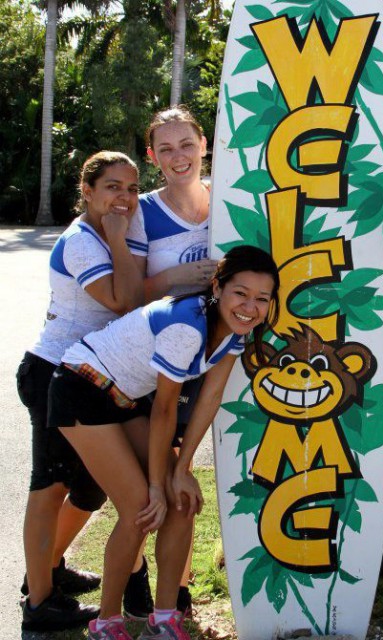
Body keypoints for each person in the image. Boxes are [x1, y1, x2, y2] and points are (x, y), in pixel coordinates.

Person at [48, 245, 280, 640]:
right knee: (141, 506)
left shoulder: (236, 335)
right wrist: (158, 482)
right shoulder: (187, 325)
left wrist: (183, 469)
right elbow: (165, 411)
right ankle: (107, 622)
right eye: (240, 293)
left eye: (262, 299)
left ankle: (165, 619)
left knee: (182, 502)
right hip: (83, 387)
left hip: (123, 398)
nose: (250, 307)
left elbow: (209, 399)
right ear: (217, 288)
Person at [17, 151, 144, 631]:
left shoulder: (115, 230)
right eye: (112, 187)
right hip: (52, 372)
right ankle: (39, 601)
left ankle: (51, 566)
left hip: (92, 376)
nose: (124, 198)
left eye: (132, 189)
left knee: (89, 490)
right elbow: (121, 299)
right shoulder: (83, 241)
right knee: (49, 488)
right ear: (87, 191)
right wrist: (116, 236)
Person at [124, 105, 218, 618]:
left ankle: (176, 589)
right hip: (157, 364)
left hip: (211, 361)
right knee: (151, 479)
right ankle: (141, 580)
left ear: (204, 144)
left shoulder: (231, 198)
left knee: (186, 480)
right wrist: (176, 281)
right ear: (152, 156)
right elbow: (126, 292)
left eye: (187, 144)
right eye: (166, 148)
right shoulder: (142, 211)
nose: (178, 156)